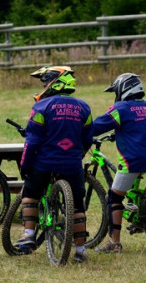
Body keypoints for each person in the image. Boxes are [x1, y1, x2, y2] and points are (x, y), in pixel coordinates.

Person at [15, 65, 93, 263]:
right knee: (78, 206)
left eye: (44, 82)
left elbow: (32, 142)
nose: (43, 86)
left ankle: (29, 235)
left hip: (45, 163)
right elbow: (87, 139)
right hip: (72, 165)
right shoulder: (84, 107)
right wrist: (77, 154)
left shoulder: (41, 107)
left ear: (54, 82)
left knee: (30, 193)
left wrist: (25, 165)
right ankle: (81, 250)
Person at [93, 73, 146, 254]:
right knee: (130, 187)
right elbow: (135, 126)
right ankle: (138, 215)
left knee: (114, 198)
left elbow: (98, 126)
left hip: (133, 159)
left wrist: (80, 130)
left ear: (124, 89)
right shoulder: (144, 106)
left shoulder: (120, 108)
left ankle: (114, 243)